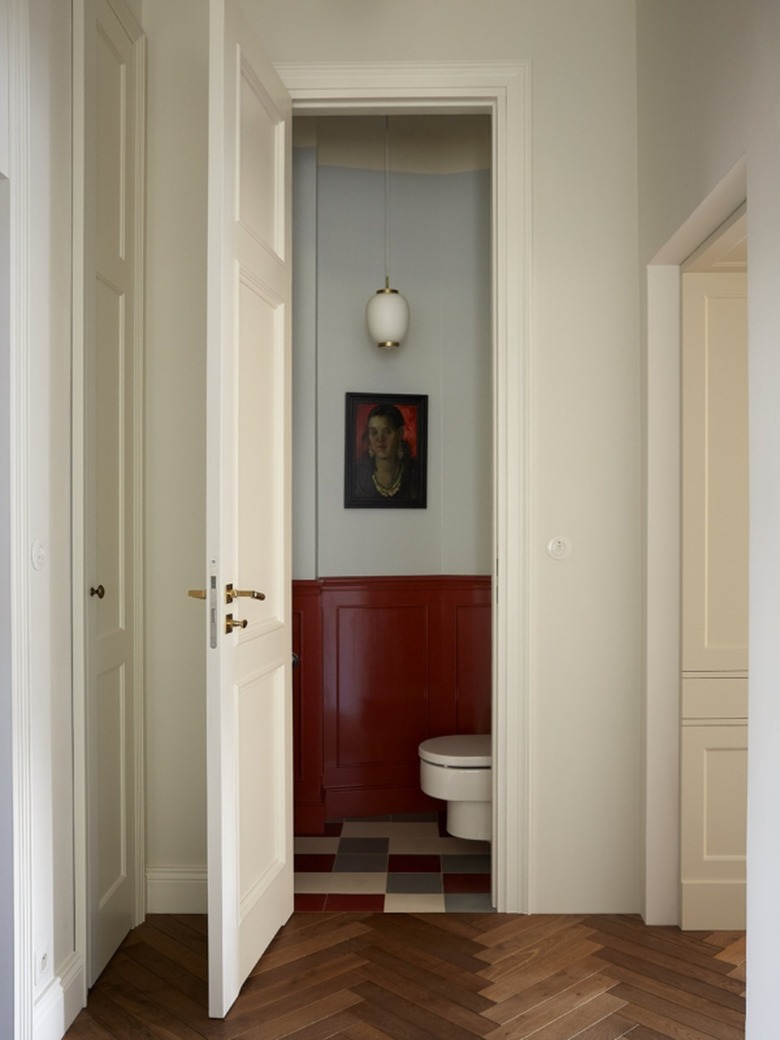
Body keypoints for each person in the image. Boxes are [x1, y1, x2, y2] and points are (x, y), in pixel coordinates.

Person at [354, 403, 420, 503]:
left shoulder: (415, 473)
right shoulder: (358, 475)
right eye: (374, 432)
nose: (380, 439)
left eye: (387, 432)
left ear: (400, 433)